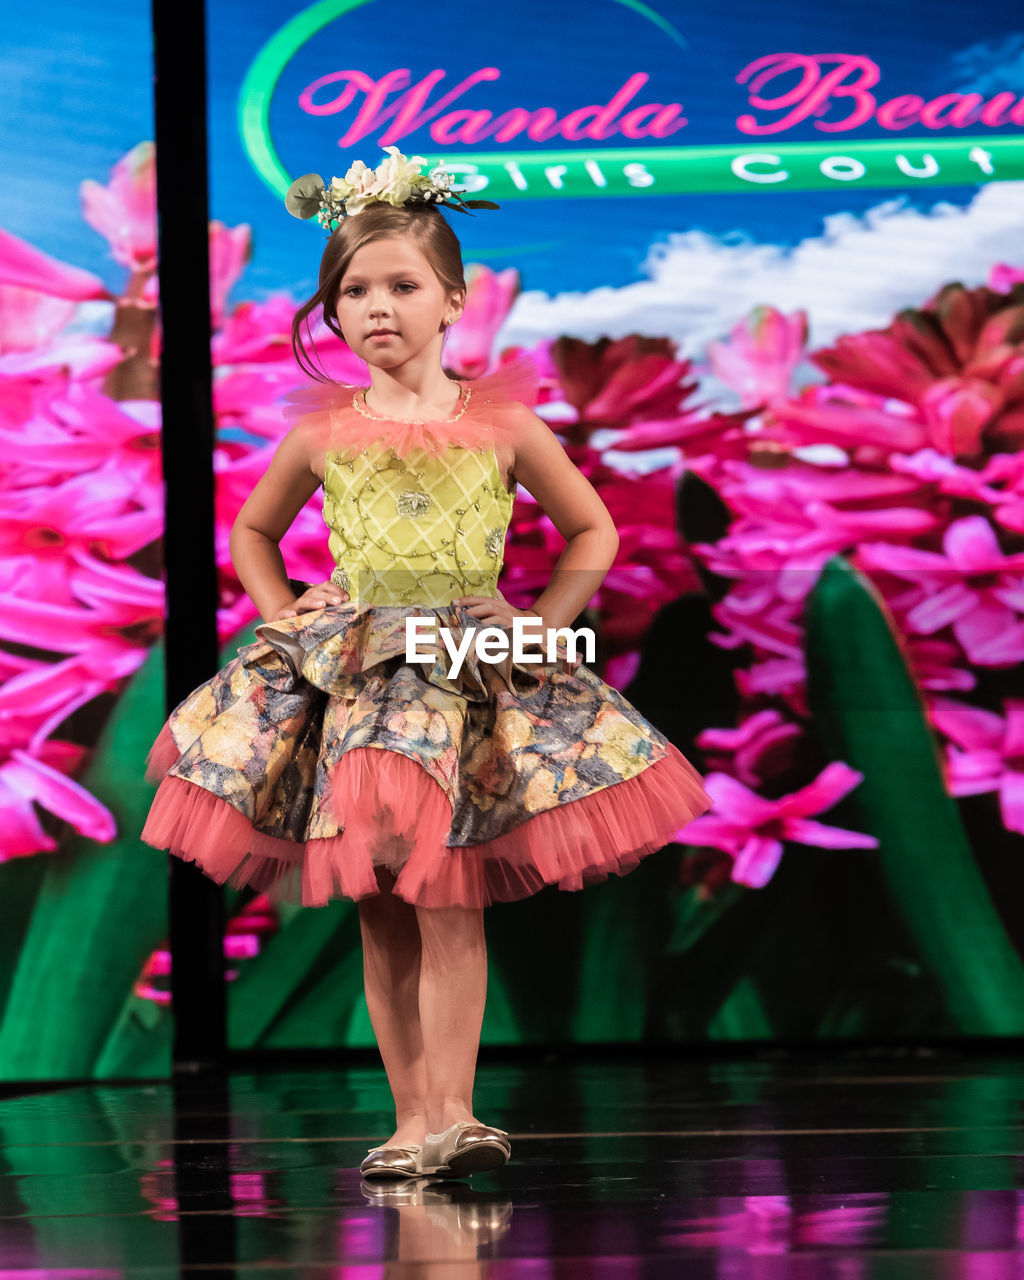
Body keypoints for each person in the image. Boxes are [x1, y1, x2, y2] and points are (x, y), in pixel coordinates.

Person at [141, 148, 712, 1183]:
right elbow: (254, 533)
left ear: (451, 298)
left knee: (448, 894)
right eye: (352, 291)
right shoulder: (324, 431)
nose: (375, 307)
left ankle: (454, 1110)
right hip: (356, 681)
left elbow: (590, 528)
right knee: (379, 900)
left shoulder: (499, 424)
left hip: (464, 666)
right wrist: (288, 621)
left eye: (400, 285)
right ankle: (409, 1120)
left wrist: (543, 620)